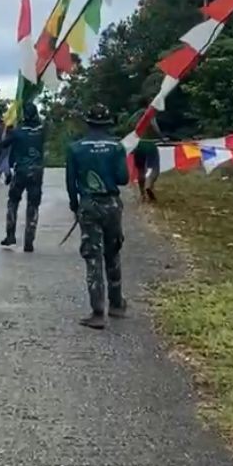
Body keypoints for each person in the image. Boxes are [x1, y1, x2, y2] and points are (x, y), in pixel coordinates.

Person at [66, 103, 130, 330]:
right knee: (113, 251)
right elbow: (123, 178)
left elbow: (71, 182)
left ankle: (97, 312)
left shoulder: (75, 148)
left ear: (88, 122)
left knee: (93, 256)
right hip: (112, 204)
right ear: (107, 123)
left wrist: (75, 206)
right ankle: (117, 304)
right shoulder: (116, 147)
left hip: (89, 205)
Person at [0, 100, 45, 252]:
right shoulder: (41, 131)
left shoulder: (17, 132)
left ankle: (10, 234)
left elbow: (3, 144)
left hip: (21, 171)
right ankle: (29, 240)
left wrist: (6, 128)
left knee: (13, 202)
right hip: (37, 171)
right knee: (33, 205)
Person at [126, 97, 162, 203]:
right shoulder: (149, 113)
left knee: (141, 169)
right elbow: (154, 127)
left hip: (138, 145)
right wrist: (161, 137)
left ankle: (142, 194)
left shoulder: (135, 115)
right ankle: (149, 185)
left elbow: (129, 125)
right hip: (150, 143)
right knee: (155, 168)